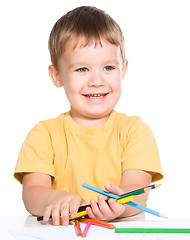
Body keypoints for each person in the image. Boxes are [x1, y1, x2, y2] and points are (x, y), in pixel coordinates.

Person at [14, 6, 163, 226]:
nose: (96, 81)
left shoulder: (135, 131)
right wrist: (56, 199)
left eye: (109, 68)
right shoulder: (44, 134)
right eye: (82, 69)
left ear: (123, 70)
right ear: (57, 76)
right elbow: (32, 193)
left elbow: (137, 188)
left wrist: (121, 204)